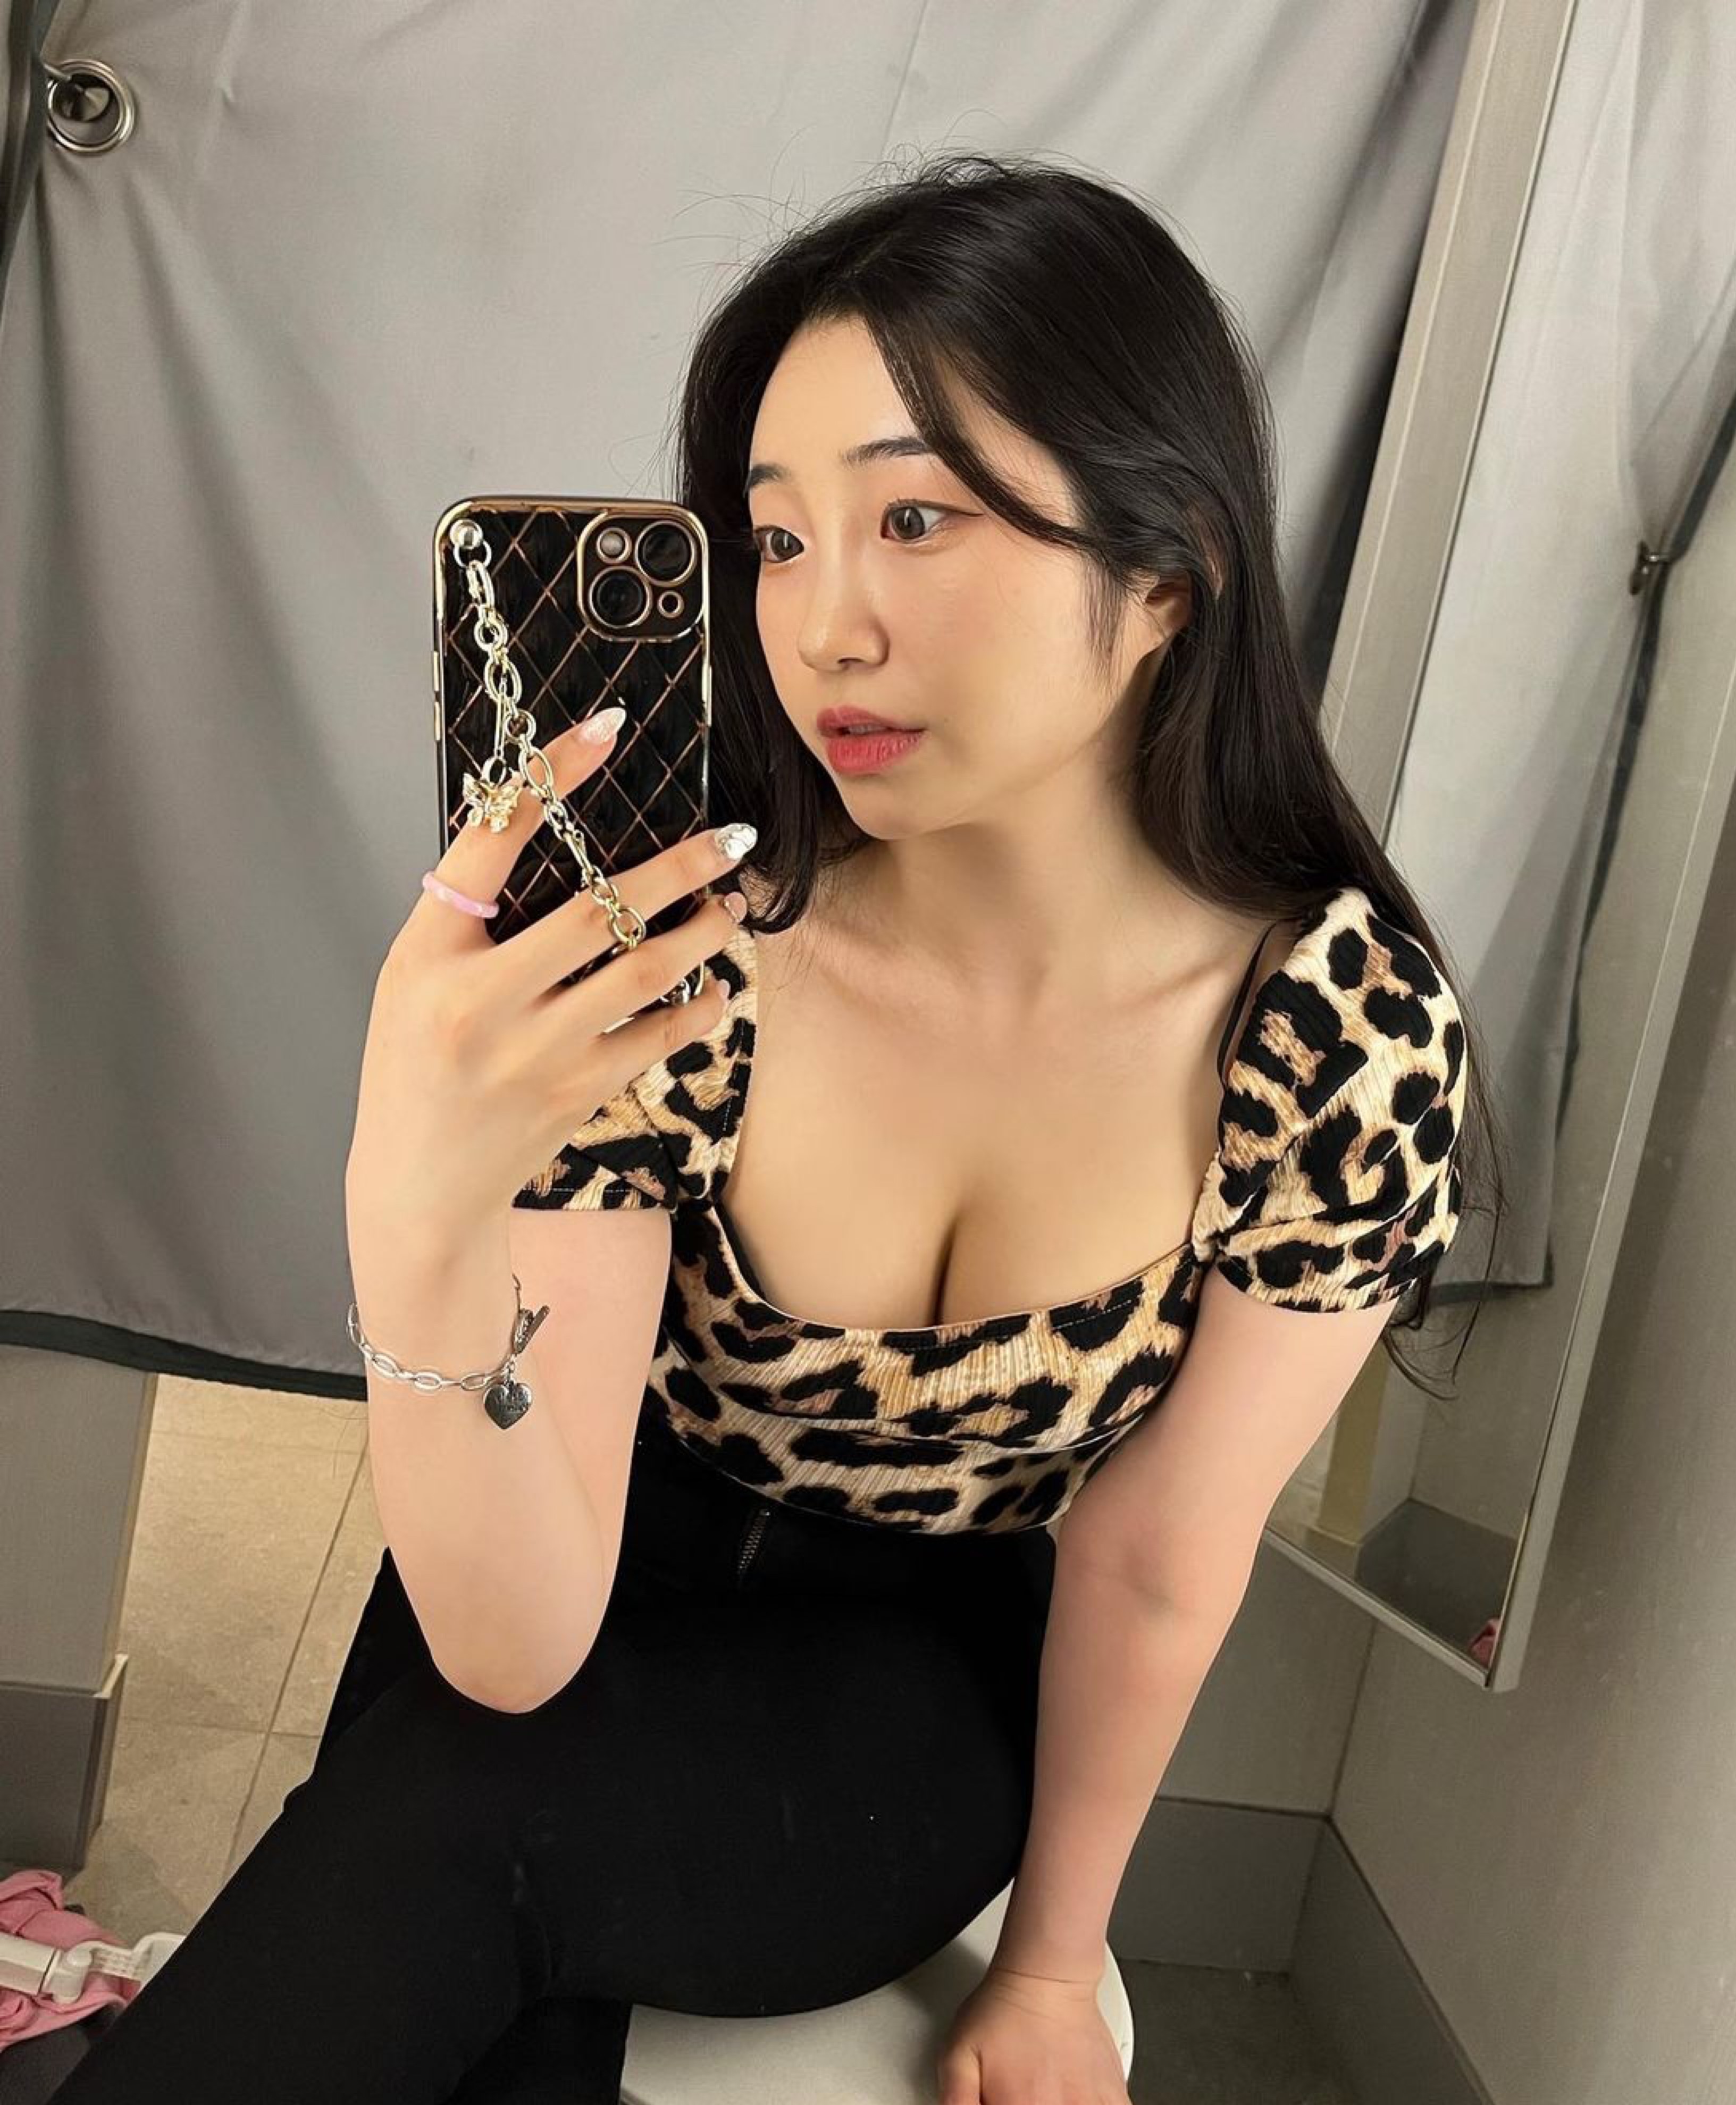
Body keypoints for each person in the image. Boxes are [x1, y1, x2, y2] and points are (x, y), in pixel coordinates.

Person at [54, 149, 1499, 2104]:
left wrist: (1050, 1972)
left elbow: (1161, 1551)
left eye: (912, 519)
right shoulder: (693, 943)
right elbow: (518, 1640)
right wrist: (413, 1203)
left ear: (1167, 575)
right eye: (777, 540)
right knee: (469, 1885)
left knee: (460, 1827)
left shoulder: (1331, 1037)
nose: (821, 629)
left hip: (900, 1687)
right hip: (565, 1531)